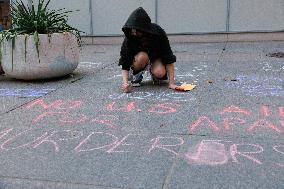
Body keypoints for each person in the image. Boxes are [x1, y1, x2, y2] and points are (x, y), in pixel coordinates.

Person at [119, 7, 178, 93]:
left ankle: (154, 73)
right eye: (132, 30)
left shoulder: (158, 33)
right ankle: (136, 75)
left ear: (145, 30)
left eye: (137, 31)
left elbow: (168, 57)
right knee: (143, 56)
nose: (134, 33)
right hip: (139, 59)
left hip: (155, 58)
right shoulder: (130, 37)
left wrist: (171, 83)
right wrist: (125, 83)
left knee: (159, 72)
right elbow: (124, 62)